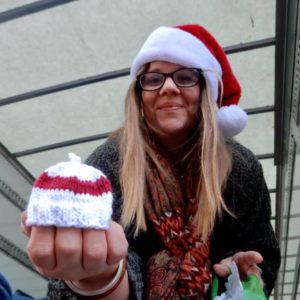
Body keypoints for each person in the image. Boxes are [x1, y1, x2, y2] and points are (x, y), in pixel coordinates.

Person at [21, 24, 280, 299]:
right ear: (140, 97)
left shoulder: (241, 167)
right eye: (154, 79)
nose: (168, 87)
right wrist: (95, 275)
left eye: (185, 76)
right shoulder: (108, 164)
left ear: (206, 89)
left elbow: (262, 249)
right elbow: (80, 280)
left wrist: (242, 267)